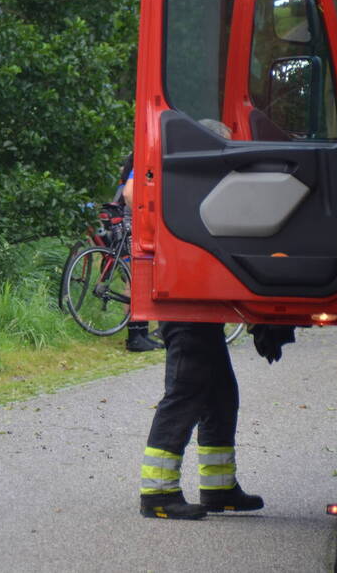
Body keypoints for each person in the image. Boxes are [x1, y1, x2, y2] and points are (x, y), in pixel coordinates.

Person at [130, 118, 296, 519]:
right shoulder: (192, 191)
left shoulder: (206, 192)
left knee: (221, 395)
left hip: (201, 309)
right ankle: (157, 495)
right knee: (186, 391)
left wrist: (264, 319)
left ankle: (219, 489)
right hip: (186, 309)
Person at [115, 153, 162, 353]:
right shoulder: (144, 161)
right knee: (135, 278)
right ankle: (134, 336)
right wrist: (144, 214)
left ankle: (141, 333)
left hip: (140, 222)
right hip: (135, 222)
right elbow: (128, 194)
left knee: (143, 279)